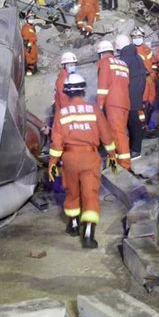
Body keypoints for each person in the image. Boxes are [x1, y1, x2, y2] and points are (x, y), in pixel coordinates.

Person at [48, 73, 118, 249]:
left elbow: (56, 142)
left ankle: (73, 224)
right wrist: (112, 156)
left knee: (72, 192)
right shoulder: (94, 110)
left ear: (67, 92)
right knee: (90, 194)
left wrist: (52, 163)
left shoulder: (62, 113)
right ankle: (88, 233)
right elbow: (106, 135)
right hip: (90, 158)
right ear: (83, 90)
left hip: (69, 158)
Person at [95, 39, 132, 169]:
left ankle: (125, 165)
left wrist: (99, 105)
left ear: (100, 53)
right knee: (119, 132)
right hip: (125, 102)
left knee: (118, 134)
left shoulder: (105, 63)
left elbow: (103, 86)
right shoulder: (122, 63)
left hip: (113, 103)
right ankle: (116, 161)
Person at [114, 33, 147, 159]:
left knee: (132, 121)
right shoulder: (136, 56)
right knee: (135, 119)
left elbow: (121, 79)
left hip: (131, 93)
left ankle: (135, 149)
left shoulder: (125, 59)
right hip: (138, 91)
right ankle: (135, 146)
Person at [131, 27, 156, 126]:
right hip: (140, 82)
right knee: (141, 104)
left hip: (150, 82)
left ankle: (147, 125)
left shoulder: (147, 49)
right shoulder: (131, 51)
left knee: (150, 103)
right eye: (135, 36)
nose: (137, 38)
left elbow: (153, 63)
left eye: (139, 36)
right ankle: (142, 126)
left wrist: (153, 74)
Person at [53, 51, 78, 116]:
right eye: (71, 65)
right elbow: (63, 98)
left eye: (74, 65)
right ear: (64, 66)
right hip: (66, 112)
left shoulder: (69, 76)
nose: (73, 67)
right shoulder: (64, 78)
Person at [21, 12, 39, 76]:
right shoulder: (25, 27)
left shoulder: (32, 27)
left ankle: (33, 69)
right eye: (30, 18)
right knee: (28, 57)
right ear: (27, 19)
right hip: (28, 45)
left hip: (33, 44)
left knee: (33, 56)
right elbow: (24, 36)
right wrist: (28, 44)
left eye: (33, 18)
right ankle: (29, 70)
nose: (32, 19)